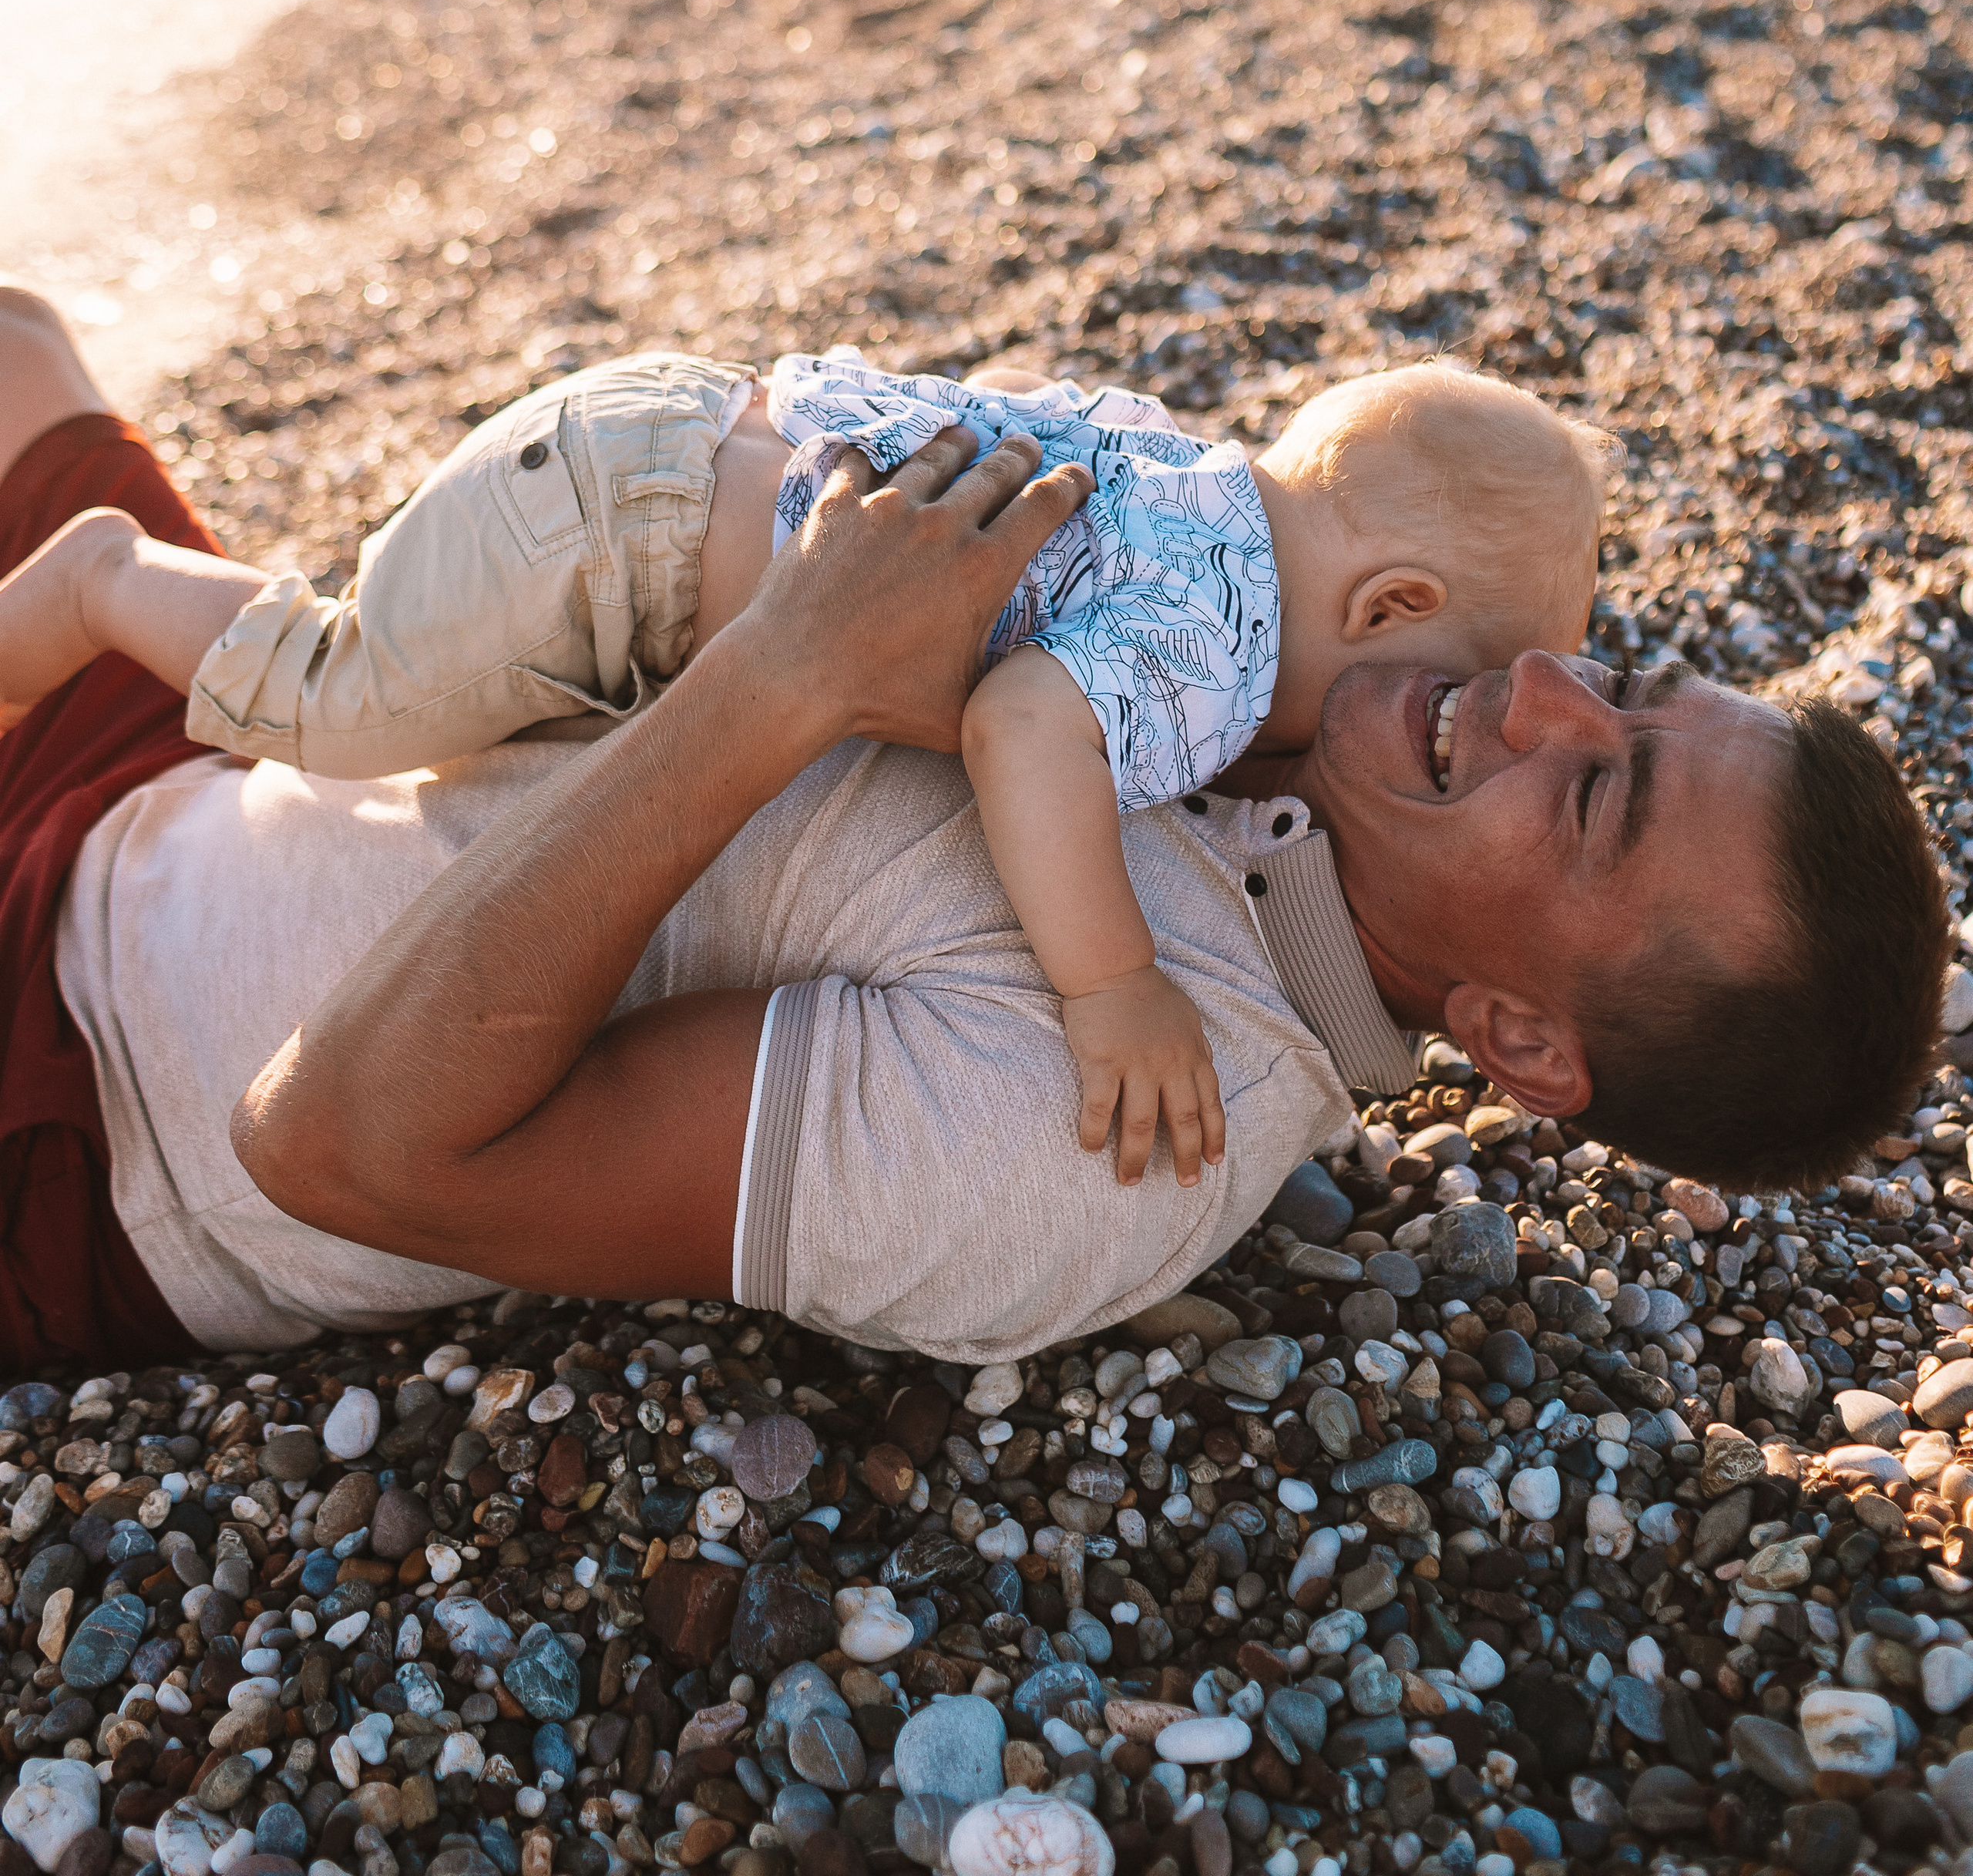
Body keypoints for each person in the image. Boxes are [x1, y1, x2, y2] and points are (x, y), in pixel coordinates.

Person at [0, 284, 1948, 1376]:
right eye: (1619, 685)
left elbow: (342, 1142)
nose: (1539, 693)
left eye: (1594, 783)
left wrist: (785, 677)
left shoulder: (1092, 1138)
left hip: (87, 1102)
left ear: (1520, 1041)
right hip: (196, 771)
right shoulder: (1252, 700)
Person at [0, 342, 1614, 1188]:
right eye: (1451, 679)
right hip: (605, 544)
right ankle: (99, 580)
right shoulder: (1227, 644)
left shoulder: (1197, 485)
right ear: (1386, 604)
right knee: (334, 697)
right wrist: (1112, 982)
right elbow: (1025, 729)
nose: (1466, 717)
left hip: (674, 447)